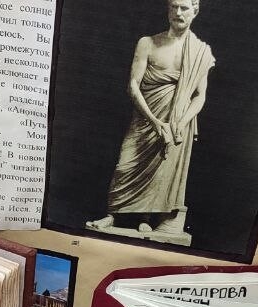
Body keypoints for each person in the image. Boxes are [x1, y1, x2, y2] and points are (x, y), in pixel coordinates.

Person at [86, 0, 214, 242]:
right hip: (146, 119)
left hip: (176, 124)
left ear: (195, 11)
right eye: (173, 6)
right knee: (126, 165)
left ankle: (144, 218)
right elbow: (133, 85)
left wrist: (180, 123)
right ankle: (112, 215)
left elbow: (200, 95)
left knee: (161, 171)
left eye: (184, 8)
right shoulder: (148, 43)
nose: (178, 12)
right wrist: (155, 122)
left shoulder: (201, 52)